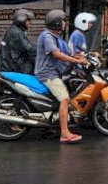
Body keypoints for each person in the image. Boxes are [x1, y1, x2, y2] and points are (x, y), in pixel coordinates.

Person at [34, 10, 88, 143]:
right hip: (47, 74)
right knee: (64, 99)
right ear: (57, 22)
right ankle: (64, 133)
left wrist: (86, 56)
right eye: (63, 21)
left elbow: (69, 52)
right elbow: (57, 54)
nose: (64, 23)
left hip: (53, 73)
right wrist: (77, 61)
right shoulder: (47, 36)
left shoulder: (55, 37)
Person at [0, 9, 37, 74]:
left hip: (8, 64)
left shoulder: (16, 30)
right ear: (21, 20)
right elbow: (29, 49)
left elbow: (28, 46)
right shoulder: (16, 33)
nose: (30, 22)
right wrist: (44, 50)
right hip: (11, 66)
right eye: (28, 20)